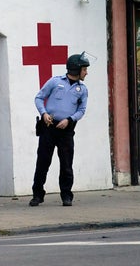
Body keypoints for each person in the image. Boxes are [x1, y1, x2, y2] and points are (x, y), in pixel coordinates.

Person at [29, 52, 90, 208]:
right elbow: (39, 97)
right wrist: (43, 113)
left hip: (66, 129)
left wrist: (69, 120)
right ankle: (37, 194)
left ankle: (66, 195)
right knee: (42, 161)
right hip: (48, 127)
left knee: (66, 163)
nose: (86, 73)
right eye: (84, 69)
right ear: (76, 69)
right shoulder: (55, 82)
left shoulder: (82, 89)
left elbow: (82, 110)